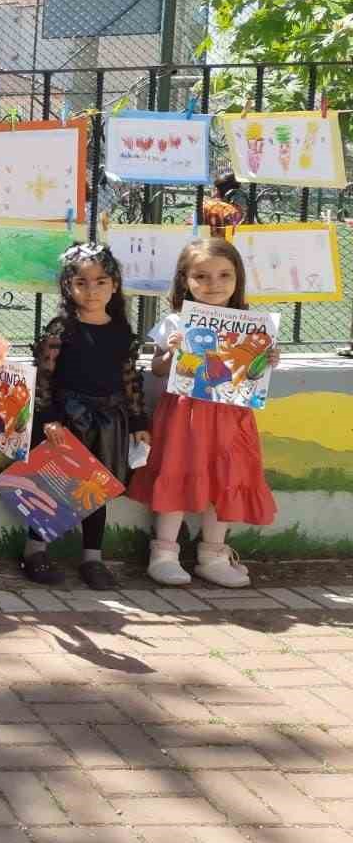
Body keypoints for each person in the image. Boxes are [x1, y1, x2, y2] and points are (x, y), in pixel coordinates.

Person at [130, 237, 277, 588]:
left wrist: (267, 359)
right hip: (185, 416)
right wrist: (171, 353)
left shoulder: (250, 326)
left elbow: (251, 374)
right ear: (186, 280)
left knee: (225, 479)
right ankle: (163, 554)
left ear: (238, 278)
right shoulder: (176, 321)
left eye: (225, 275)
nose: (214, 285)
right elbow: (159, 371)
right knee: (179, 473)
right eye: (202, 276)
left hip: (232, 417)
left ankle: (213, 554)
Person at [22, 243, 149, 591]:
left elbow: (129, 378)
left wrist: (138, 422)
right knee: (53, 487)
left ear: (115, 284)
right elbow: (43, 377)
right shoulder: (61, 329)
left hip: (108, 421)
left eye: (101, 281)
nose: (91, 290)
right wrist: (48, 417)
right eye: (81, 282)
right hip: (66, 421)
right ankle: (35, 551)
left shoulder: (121, 330)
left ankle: (92, 557)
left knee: (96, 489)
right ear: (68, 286)